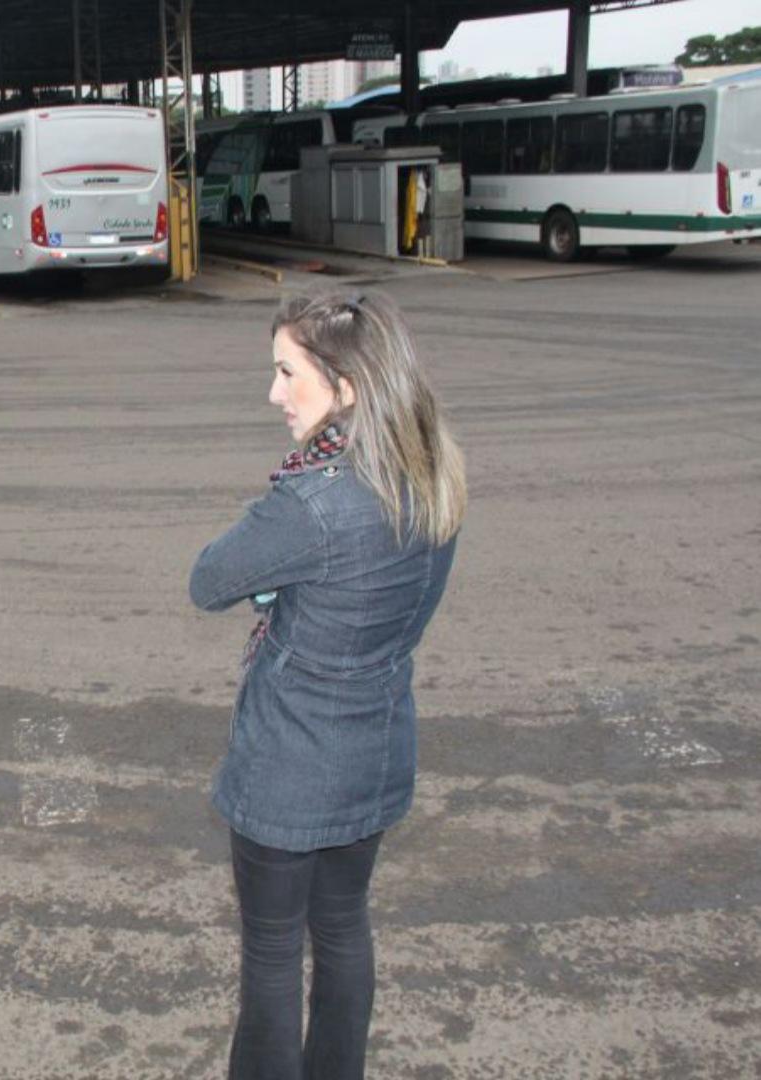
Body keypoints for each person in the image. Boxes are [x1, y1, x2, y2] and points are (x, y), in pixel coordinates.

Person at [188, 291, 466, 1080]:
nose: (273, 394)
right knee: (342, 930)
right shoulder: (429, 472)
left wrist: (281, 502)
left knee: (272, 957)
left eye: (286, 373)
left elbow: (209, 580)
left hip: (289, 767)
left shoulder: (313, 501)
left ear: (344, 388)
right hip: (375, 747)